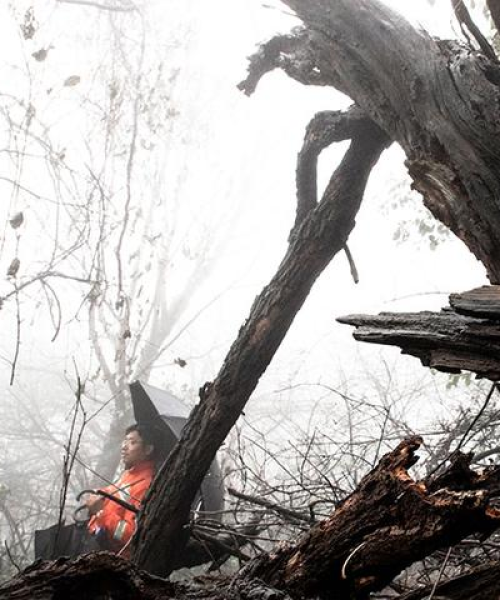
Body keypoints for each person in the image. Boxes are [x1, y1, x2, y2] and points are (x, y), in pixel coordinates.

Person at [85, 423, 156, 556]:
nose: (124, 447)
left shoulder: (145, 486)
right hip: (94, 545)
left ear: (148, 449)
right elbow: (115, 496)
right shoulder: (129, 475)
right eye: (125, 441)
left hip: (111, 560)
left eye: (132, 442)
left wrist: (102, 512)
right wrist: (99, 496)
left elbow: (130, 535)